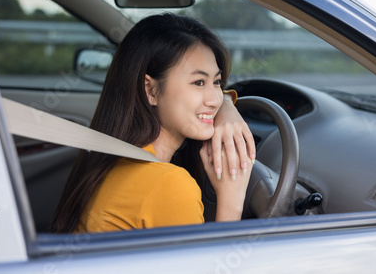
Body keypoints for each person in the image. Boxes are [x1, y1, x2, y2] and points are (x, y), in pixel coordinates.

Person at [51, 13, 255, 233]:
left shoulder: (111, 158)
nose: (214, 99)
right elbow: (217, 267)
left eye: (216, 82)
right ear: (150, 89)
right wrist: (231, 198)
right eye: (198, 82)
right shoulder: (168, 184)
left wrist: (227, 104)